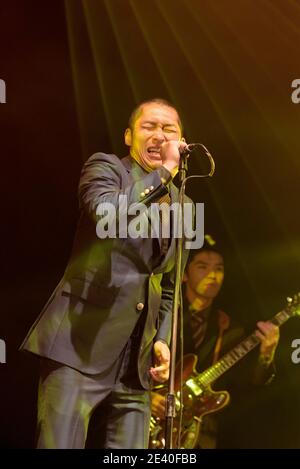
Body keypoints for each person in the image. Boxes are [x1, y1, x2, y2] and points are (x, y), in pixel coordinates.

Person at [20, 98, 193, 449]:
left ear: (182, 141)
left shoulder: (184, 205)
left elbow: (170, 284)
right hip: (79, 344)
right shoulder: (107, 168)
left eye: (169, 129)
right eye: (150, 126)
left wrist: (160, 340)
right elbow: (105, 214)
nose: (160, 135)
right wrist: (162, 175)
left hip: (135, 365)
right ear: (129, 136)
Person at [150, 239, 280, 448]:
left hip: (200, 437)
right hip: (150, 424)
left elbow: (248, 384)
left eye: (219, 269)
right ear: (183, 274)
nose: (213, 275)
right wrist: (147, 398)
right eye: (203, 267)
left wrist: (267, 355)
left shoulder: (230, 328)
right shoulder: (162, 317)